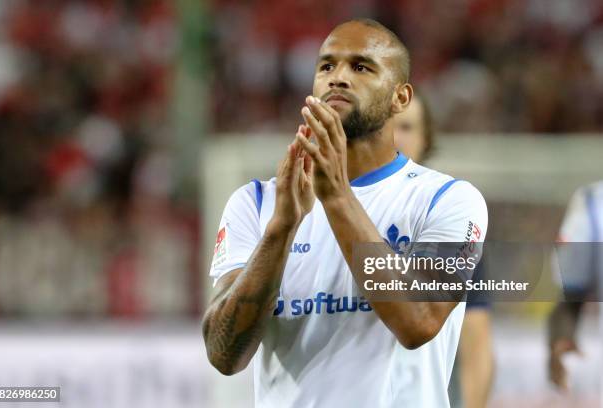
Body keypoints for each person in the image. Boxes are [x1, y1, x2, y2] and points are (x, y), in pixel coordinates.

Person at [203, 19, 488, 407]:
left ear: (400, 98)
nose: (337, 77)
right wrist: (281, 229)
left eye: (361, 67)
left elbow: (419, 321)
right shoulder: (255, 204)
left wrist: (336, 196)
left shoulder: (447, 199)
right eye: (326, 66)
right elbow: (223, 354)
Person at [393, 93, 495, 408]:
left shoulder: (456, 220)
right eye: (387, 126)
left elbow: (475, 342)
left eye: (407, 127)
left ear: (426, 140)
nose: (395, 137)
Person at [548, 181, 603, 392]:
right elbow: (572, 288)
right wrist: (562, 337)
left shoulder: (593, 201)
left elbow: (572, 286)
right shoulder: (592, 201)